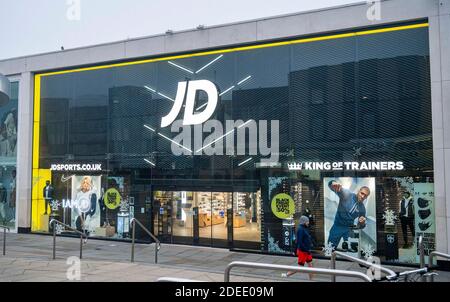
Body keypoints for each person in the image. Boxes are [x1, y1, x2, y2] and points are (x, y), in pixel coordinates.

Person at [327, 180, 370, 252]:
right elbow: (331, 186)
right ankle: (330, 262)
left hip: (349, 229)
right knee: (329, 249)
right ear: (359, 191)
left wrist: (362, 223)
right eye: (362, 193)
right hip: (338, 226)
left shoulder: (362, 208)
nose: (363, 196)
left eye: (365, 196)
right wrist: (333, 183)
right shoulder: (347, 194)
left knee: (353, 252)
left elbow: (360, 226)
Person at [282, 216, 314, 280]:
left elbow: (306, 238)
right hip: (303, 251)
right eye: (307, 221)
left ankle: (312, 280)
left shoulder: (305, 228)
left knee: (310, 265)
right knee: (300, 267)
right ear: (304, 222)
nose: (308, 223)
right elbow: (299, 241)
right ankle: (286, 275)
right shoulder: (300, 229)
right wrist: (297, 250)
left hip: (307, 251)